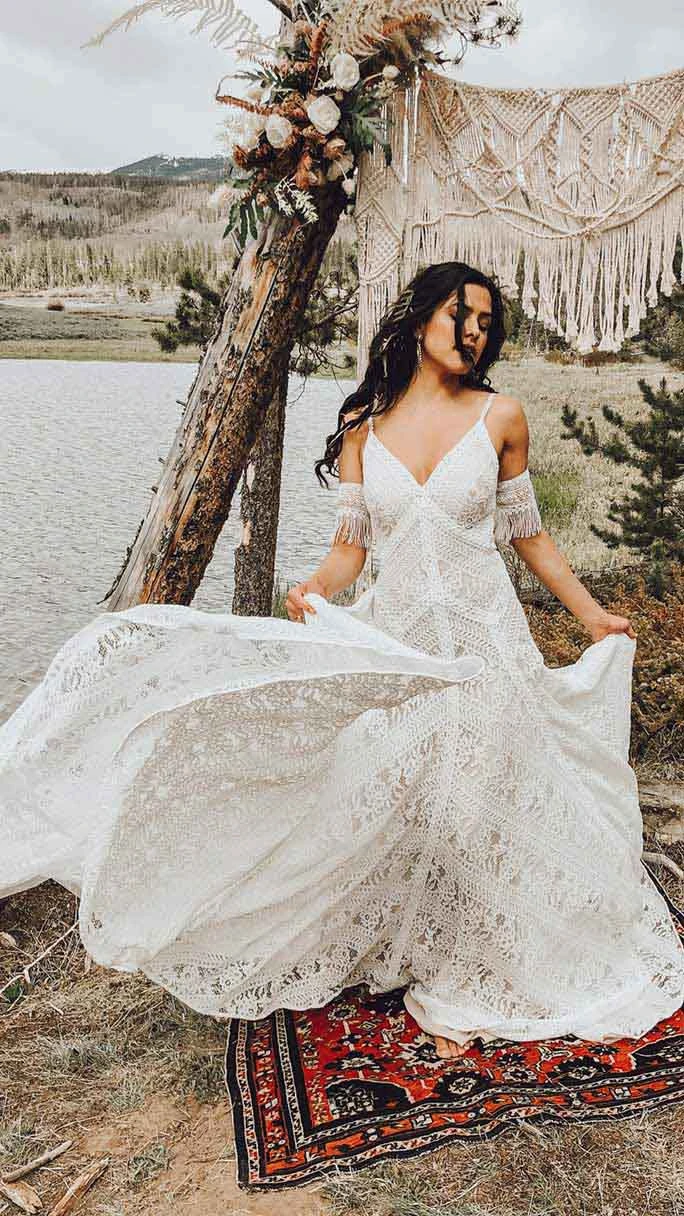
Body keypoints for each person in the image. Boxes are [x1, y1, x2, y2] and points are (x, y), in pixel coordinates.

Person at [2, 261, 683, 1064]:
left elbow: (529, 537)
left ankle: (491, 953)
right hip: (400, 646)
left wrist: (593, 615)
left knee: (480, 800)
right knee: (409, 799)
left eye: (487, 322)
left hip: (485, 644)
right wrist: (314, 589)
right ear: (421, 319)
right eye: (460, 315)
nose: (474, 332)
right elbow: (349, 554)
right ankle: (423, 937)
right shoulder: (365, 422)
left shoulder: (502, 415)